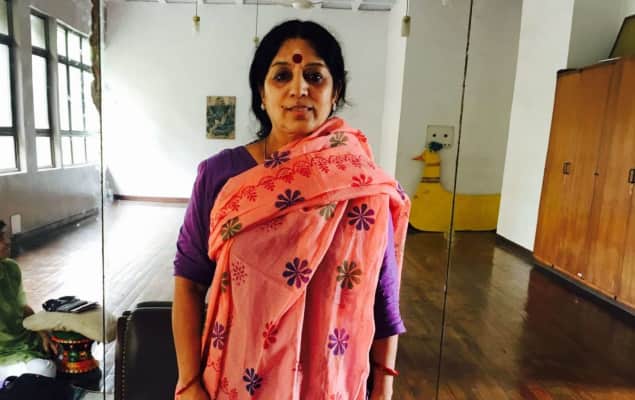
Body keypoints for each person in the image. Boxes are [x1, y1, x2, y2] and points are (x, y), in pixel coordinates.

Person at [172, 20, 410, 400]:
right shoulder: (220, 175)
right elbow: (189, 282)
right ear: (262, 92)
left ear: (335, 92)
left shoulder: (361, 183)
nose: (299, 89)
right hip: (237, 380)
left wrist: (383, 387)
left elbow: (382, 299)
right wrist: (188, 382)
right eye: (282, 76)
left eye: (314, 77)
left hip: (329, 381)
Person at [0, 220, 58, 387]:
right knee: (42, 373)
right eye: (0, 239)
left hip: (24, 343)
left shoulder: (11, 268)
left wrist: (43, 334)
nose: (7, 242)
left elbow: (23, 308)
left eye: (4, 236)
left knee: (48, 365)